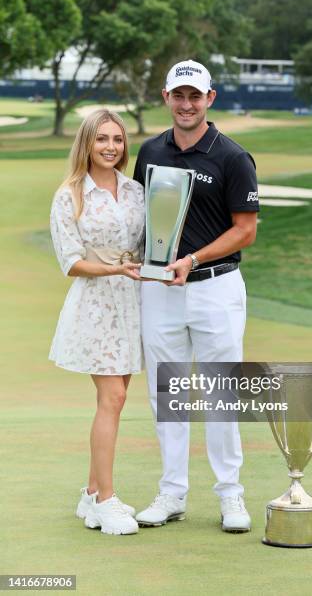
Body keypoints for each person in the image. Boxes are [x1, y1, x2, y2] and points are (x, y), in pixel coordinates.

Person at [133, 60, 259, 532]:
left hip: (215, 288)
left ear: (211, 99)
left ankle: (231, 496)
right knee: (167, 394)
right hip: (160, 291)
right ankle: (172, 493)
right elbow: (143, 219)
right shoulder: (148, 152)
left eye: (195, 96)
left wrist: (194, 259)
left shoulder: (231, 157)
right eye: (178, 95)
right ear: (166, 97)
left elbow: (244, 231)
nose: (186, 105)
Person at [49, 109, 144, 535]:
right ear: (86, 143)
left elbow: (148, 244)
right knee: (113, 399)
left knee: (118, 397)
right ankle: (106, 501)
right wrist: (115, 270)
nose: (110, 147)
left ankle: (90, 493)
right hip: (95, 304)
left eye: (117, 140)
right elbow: (71, 262)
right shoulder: (70, 194)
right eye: (102, 139)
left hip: (134, 302)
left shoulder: (137, 190)